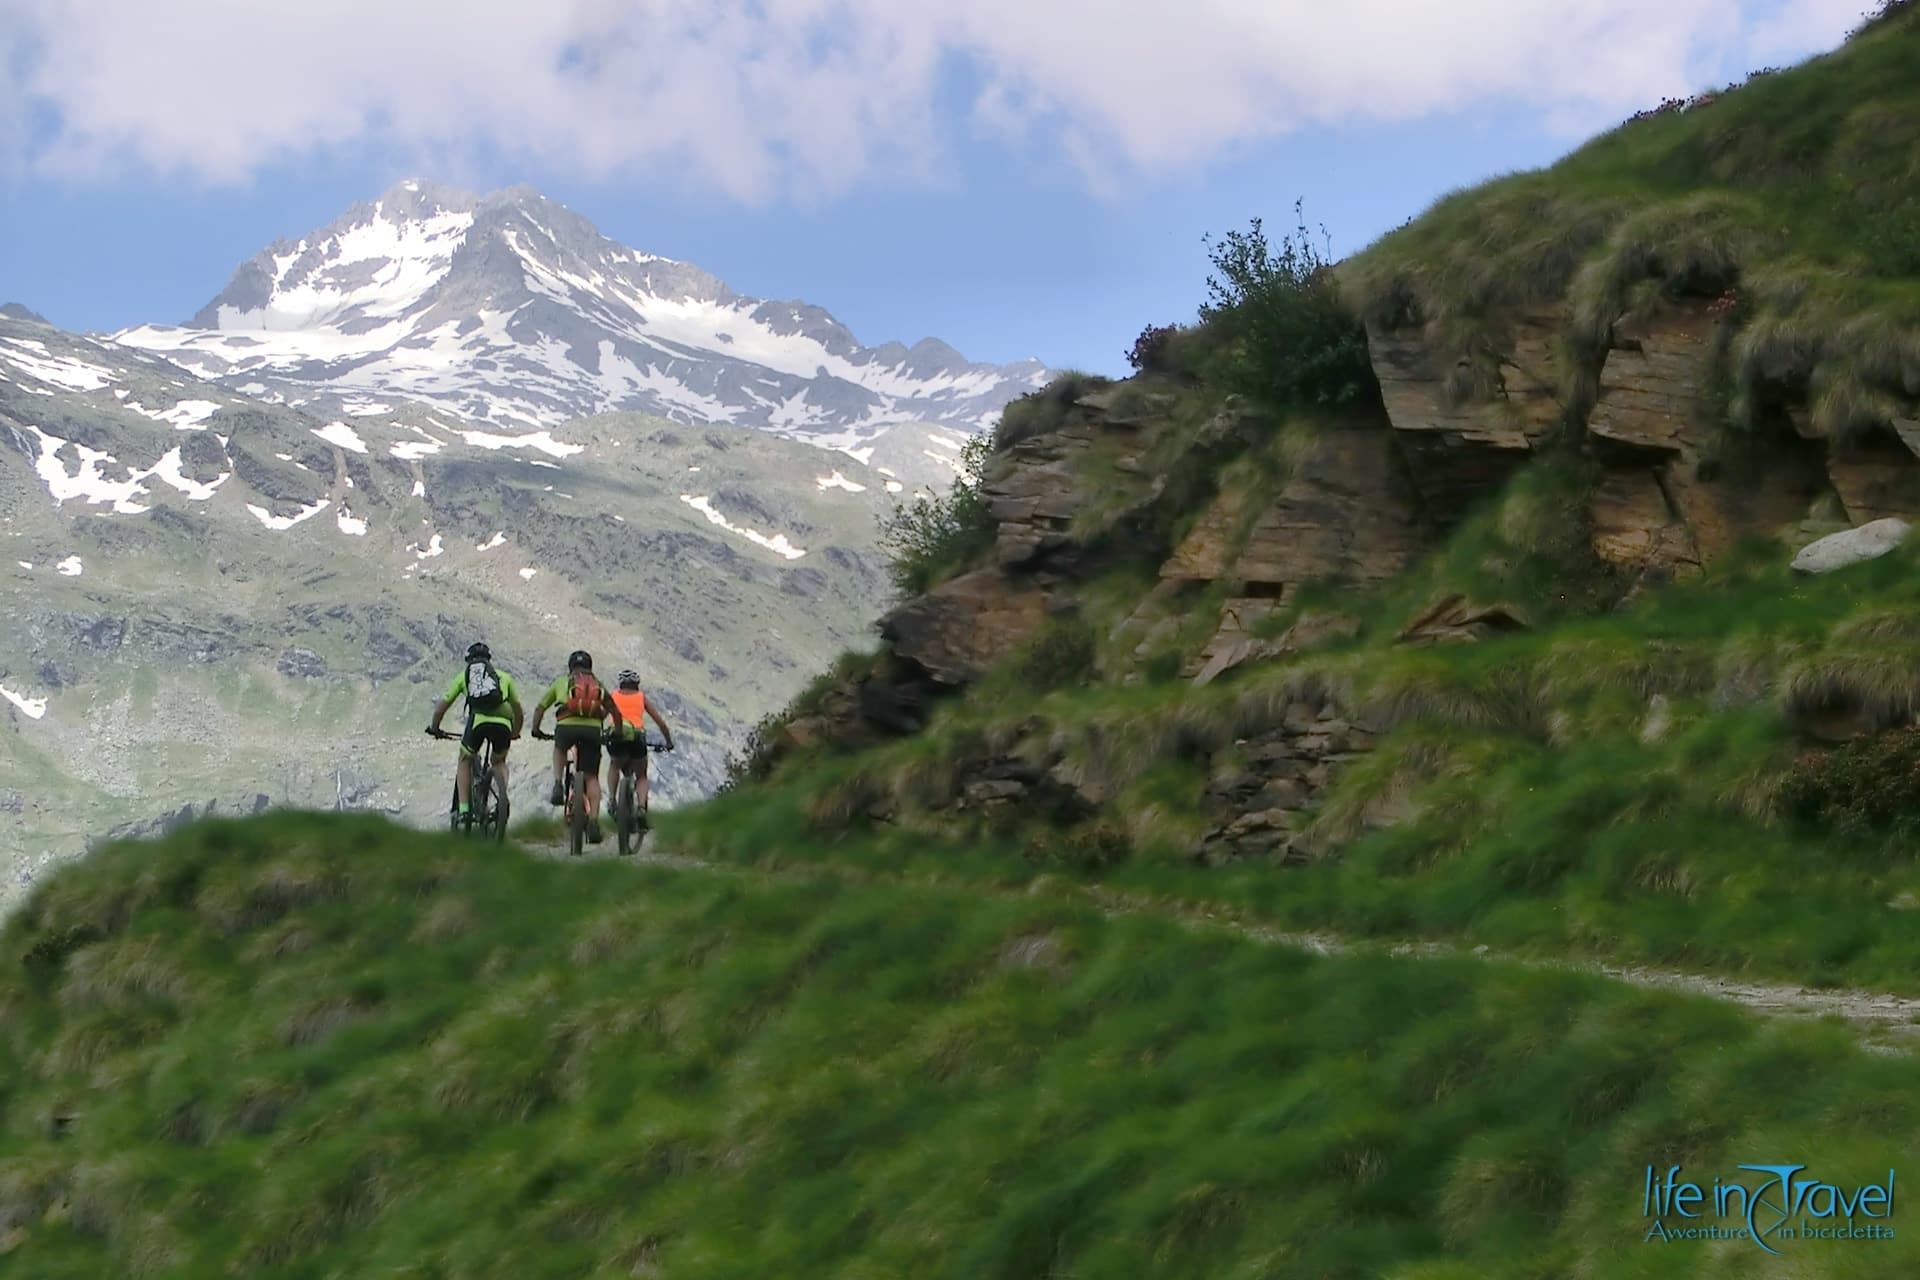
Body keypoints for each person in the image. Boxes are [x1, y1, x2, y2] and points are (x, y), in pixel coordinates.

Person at [530, 649, 624, 843]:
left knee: (560, 749)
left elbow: (540, 707)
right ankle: (594, 822)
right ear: (590, 667)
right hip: (592, 732)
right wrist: (617, 731)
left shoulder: (561, 682)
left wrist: (536, 729)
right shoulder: (598, 684)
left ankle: (557, 784)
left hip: (566, 728)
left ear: (570, 667)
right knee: (591, 777)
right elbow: (614, 710)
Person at [425, 642, 523, 823]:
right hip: (503, 725)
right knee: (499, 761)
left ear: (469, 661)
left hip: (478, 723)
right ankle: (501, 797)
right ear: (489, 661)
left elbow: (442, 708)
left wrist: (435, 727)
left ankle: (463, 811)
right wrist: (515, 731)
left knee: (465, 759)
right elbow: (518, 709)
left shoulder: (465, 677)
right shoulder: (504, 677)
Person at [605, 668, 675, 829]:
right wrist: (668, 742)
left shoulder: (613, 696)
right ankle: (642, 809)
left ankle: (611, 799)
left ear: (620, 684)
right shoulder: (641, 697)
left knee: (615, 766)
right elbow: (660, 722)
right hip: (637, 737)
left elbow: (601, 716)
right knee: (641, 775)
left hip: (617, 736)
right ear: (637, 684)